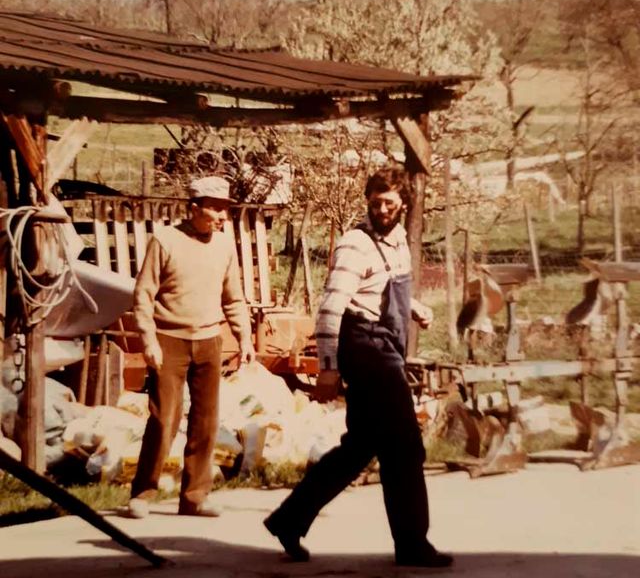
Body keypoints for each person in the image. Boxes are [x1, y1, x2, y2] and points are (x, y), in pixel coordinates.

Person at [263, 166, 453, 568]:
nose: (381, 209)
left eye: (389, 203)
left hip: (384, 343)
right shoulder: (355, 244)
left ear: (404, 203)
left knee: (360, 447)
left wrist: (414, 307)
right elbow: (331, 308)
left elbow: (376, 290)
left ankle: (289, 520)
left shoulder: (399, 243)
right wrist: (328, 367)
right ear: (368, 200)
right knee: (405, 447)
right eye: (376, 202)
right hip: (366, 349)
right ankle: (412, 544)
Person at [123, 175, 254, 518]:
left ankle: (195, 496)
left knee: (206, 421)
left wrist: (244, 337)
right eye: (215, 208)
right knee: (164, 418)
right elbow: (143, 295)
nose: (222, 216)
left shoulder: (224, 246)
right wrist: (148, 340)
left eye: (225, 209)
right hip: (169, 340)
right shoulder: (165, 240)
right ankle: (143, 493)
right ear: (193, 208)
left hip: (209, 341)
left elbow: (233, 297)